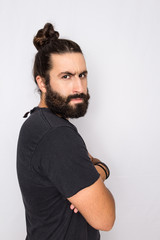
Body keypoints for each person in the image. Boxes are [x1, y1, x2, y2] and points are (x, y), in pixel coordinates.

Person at [17, 23, 115, 240]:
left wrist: (96, 171)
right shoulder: (56, 135)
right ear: (42, 83)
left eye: (82, 75)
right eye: (66, 76)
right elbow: (105, 218)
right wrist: (101, 170)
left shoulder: (40, 123)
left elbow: (89, 162)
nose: (79, 87)